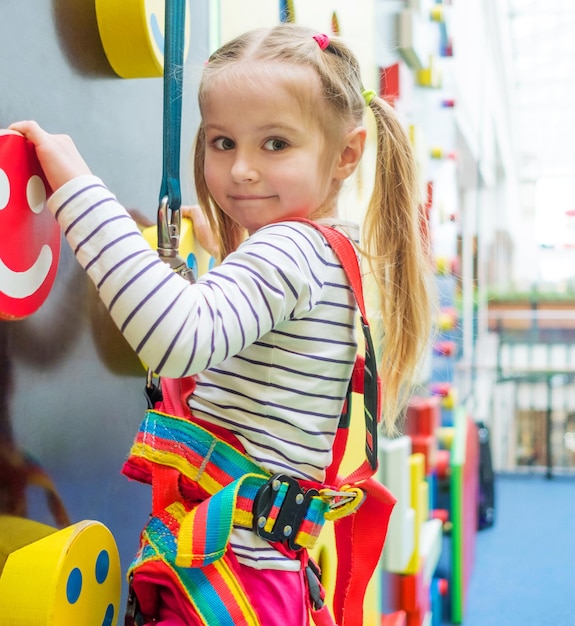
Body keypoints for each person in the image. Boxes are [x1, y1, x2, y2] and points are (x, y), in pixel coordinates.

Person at [10, 23, 433, 626]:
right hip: (263, 575)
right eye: (222, 142)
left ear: (346, 154)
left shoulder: (290, 248)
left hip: (226, 575)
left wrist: (78, 189)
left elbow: (179, 338)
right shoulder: (335, 251)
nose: (242, 171)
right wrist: (226, 255)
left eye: (275, 145)